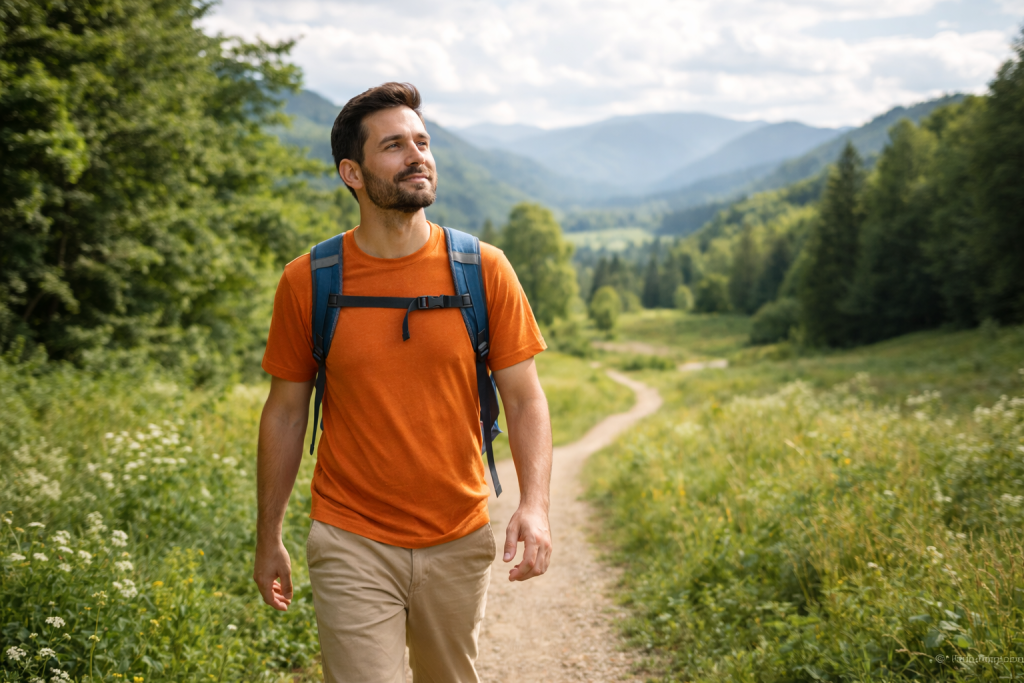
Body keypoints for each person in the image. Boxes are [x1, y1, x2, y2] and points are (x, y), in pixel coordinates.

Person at [252, 82, 553, 683]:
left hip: (458, 534)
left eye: (422, 142)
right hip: (350, 537)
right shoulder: (309, 280)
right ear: (353, 173)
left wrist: (535, 505)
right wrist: (269, 536)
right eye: (393, 146)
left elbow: (525, 399)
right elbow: (284, 413)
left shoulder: (482, 269)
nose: (418, 156)